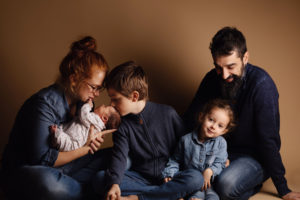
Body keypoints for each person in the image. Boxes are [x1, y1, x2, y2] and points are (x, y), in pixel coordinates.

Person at [183, 27, 300, 200]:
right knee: (189, 177)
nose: (224, 75)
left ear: (245, 58)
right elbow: (190, 118)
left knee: (225, 185)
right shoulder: (211, 78)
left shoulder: (262, 85)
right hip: (215, 152)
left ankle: (247, 183)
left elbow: (268, 140)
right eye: (218, 67)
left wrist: (283, 188)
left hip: (254, 157)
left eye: (231, 66)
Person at [0, 36, 115, 199]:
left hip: (68, 167)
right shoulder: (42, 105)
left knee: (117, 156)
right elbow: (42, 159)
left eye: (99, 89)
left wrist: (91, 140)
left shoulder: (85, 104)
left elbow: (76, 142)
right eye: (93, 87)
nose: (96, 94)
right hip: (31, 172)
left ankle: (77, 189)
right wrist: (85, 149)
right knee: (50, 185)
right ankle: (89, 192)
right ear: (74, 78)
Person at [92, 61, 204, 200]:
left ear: (134, 96)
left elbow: (189, 145)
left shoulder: (167, 113)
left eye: (115, 99)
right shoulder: (122, 126)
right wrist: (115, 183)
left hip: (171, 177)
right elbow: (119, 156)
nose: (111, 104)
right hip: (141, 178)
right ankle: (167, 195)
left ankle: (139, 198)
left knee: (196, 178)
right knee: (100, 179)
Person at [163, 99, 235, 200]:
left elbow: (221, 163)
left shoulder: (221, 144)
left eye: (220, 126)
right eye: (211, 120)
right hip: (189, 181)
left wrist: (210, 171)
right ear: (201, 117)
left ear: (224, 131)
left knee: (214, 198)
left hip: (207, 185)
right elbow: (175, 160)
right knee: (196, 194)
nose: (213, 126)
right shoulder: (186, 140)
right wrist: (169, 173)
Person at [50, 99, 121, 151]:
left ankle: (57, 134)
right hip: (72, 134)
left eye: (105, 107)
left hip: (74, 140)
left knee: (66, 142)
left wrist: (88, 105)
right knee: (63, 133)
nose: (102, 105)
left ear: (104, 118)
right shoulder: (96, 122)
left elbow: (84, 114)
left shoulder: (96, 121)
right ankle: (56, 137)